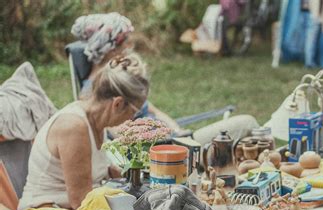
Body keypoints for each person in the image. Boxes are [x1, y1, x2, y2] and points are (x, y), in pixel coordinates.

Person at [71, 12, 259, 145]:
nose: (130, 45)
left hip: (178, 140)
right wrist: (170, 142)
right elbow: (118, 134)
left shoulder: (122, 79)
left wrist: (178, 131)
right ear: (110, 48)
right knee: (247, 123)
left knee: (246, 132)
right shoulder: (92, 93)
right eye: (124, 41)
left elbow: (153, 110)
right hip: (166, 153)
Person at [18, 54, 148, 210]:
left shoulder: (97, 123)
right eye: (134, 111)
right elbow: (81, 202)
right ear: (118, 104)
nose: (133, 118)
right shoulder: (74, 127)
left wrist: (109, 172)